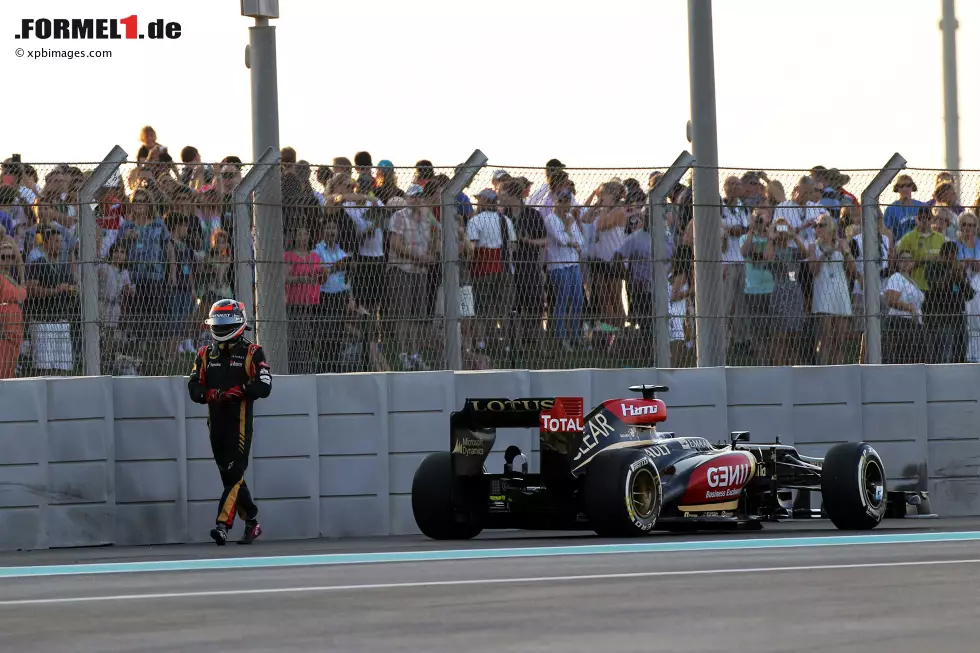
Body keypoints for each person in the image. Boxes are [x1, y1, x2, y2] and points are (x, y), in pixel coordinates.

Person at [187, 299, 272, 545]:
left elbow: (265, 386)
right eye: (218, 323)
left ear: (238, 322)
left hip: (240, 425)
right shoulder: (204, 354)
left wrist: (240, 391)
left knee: (234, 473)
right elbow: (193, 388)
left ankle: (222, 526)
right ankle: (253, 522)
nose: (222, 328)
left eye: (227, 323)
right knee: (231, 478)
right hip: (216, 427)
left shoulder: (253, 352)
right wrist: (209, 395)